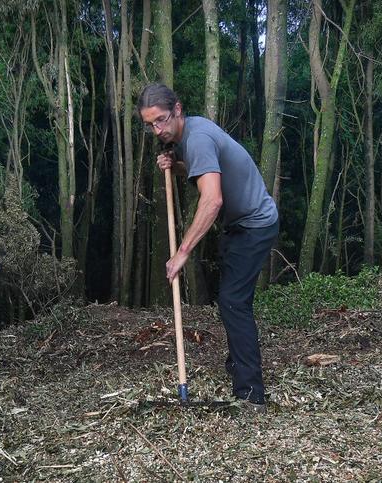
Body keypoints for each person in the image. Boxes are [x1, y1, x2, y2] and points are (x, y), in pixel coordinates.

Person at [138, 83, 279, 413]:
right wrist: (177, 166)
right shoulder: (191, 134)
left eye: (161, 120)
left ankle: (250, 395)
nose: (157, 130)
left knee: (233, 302)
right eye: (150, 125)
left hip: (255, 224)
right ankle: (240, 365)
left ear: (177, 110)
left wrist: (183, 251)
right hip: (239, 226)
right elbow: (207, 172)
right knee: (231, 300)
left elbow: (212, 199)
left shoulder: (197, 139)